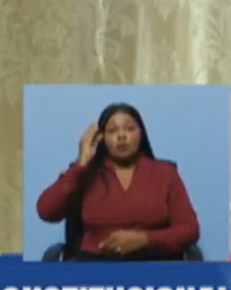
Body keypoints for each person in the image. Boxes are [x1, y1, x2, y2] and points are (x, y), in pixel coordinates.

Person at [35, 103, 200, 261]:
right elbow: (46, 211)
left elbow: (190, 229)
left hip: (154, 265)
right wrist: (81, 163)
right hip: (97, 266)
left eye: (129, 128)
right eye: (112, 130)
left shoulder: (165, 173)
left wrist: (145, 239)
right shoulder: (86, 174)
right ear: (102, 138)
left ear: (141, 134)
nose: (121, 136)